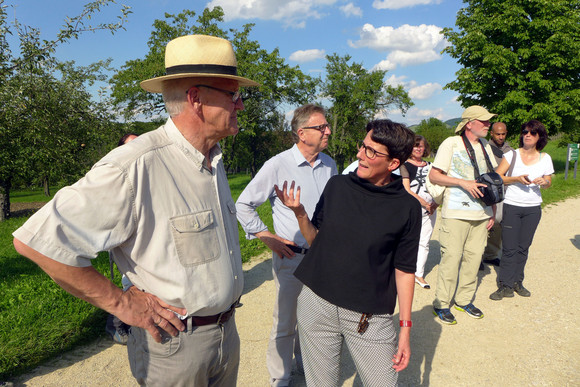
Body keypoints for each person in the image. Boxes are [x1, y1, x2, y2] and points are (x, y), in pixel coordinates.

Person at [13, 34, 259, 386]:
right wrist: (122, 304)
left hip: (225, 334)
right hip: (174, 347)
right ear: (197, 99)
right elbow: (37, 241)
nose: (241, 106)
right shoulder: (134, 166)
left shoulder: (213, 160)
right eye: (233, 95)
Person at [276, 119, 421, 386]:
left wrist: (405, 330)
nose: (360, 155)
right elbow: (316, 239)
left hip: (368, 317)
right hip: (316, 304)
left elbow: (404, 270)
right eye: (363, 146)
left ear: (393, 164)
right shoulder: (338, 186)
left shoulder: (407, 207)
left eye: (371, 152)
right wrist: (300, 214)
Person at [235, 104, 337, 386]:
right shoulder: (277, 165)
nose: (328, 130)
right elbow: (243, 204)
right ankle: (280, 377)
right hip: (292, 257)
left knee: (316, 319)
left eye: (326, 126)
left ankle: (307, 366)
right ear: (302, 133)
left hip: (323, 257)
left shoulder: (330, 165)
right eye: (321, 127)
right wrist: (265, 236)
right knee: (286, 322)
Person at [429, 105, 498, 325]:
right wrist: (461, 182)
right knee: (451, 260)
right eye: (484, 121)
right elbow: (434, 175)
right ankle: (441, 303)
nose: (489, 125)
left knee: (473, 259)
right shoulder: (451, 143)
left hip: (481, 214)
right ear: (470, 123)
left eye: (489, 121)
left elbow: (491, 178)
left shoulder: (486, 145)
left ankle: (464, 300)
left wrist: (493, 209)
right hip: (456, 213)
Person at [489, 120, 553, 300]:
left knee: (523, 247)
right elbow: (498, 177)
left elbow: (548, 182)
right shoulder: (512, 155)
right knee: (509, 248)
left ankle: (518, 281)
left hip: (533, 208)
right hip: (513, 205)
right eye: (525, 131)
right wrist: (516, 179)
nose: (527, 135)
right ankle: (505, 285)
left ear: (539, 137)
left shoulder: (545, 158)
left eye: (532, 133)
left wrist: (544, 182)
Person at [104, 132, 140, 345]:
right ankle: (115, 325)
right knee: (131, 281)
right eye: (131, 145)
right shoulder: (114, 173)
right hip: (123, 235)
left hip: (144, 235)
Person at [400, 135, 438, 289]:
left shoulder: (431, 166)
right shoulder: (404, 166)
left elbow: (440, 186)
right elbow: (407, 189)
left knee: (424, 241)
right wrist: (425, 204)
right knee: (407, 239)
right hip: (412, 207)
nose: (418, 149)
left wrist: (435, 203)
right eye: (415, 146)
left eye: (421, 146)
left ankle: (419, 273)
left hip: (431, 209)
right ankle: (402, 269)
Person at [481, 122, 514, 268]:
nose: (501, 137)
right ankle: (477, 257)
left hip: (504, 192)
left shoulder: (511, 150)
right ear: (492, 134)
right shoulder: (483, 148)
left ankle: (491, 255)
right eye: (497, 134)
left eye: (503, 134)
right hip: (486, 192)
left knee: (498, 224)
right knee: (483, 224)